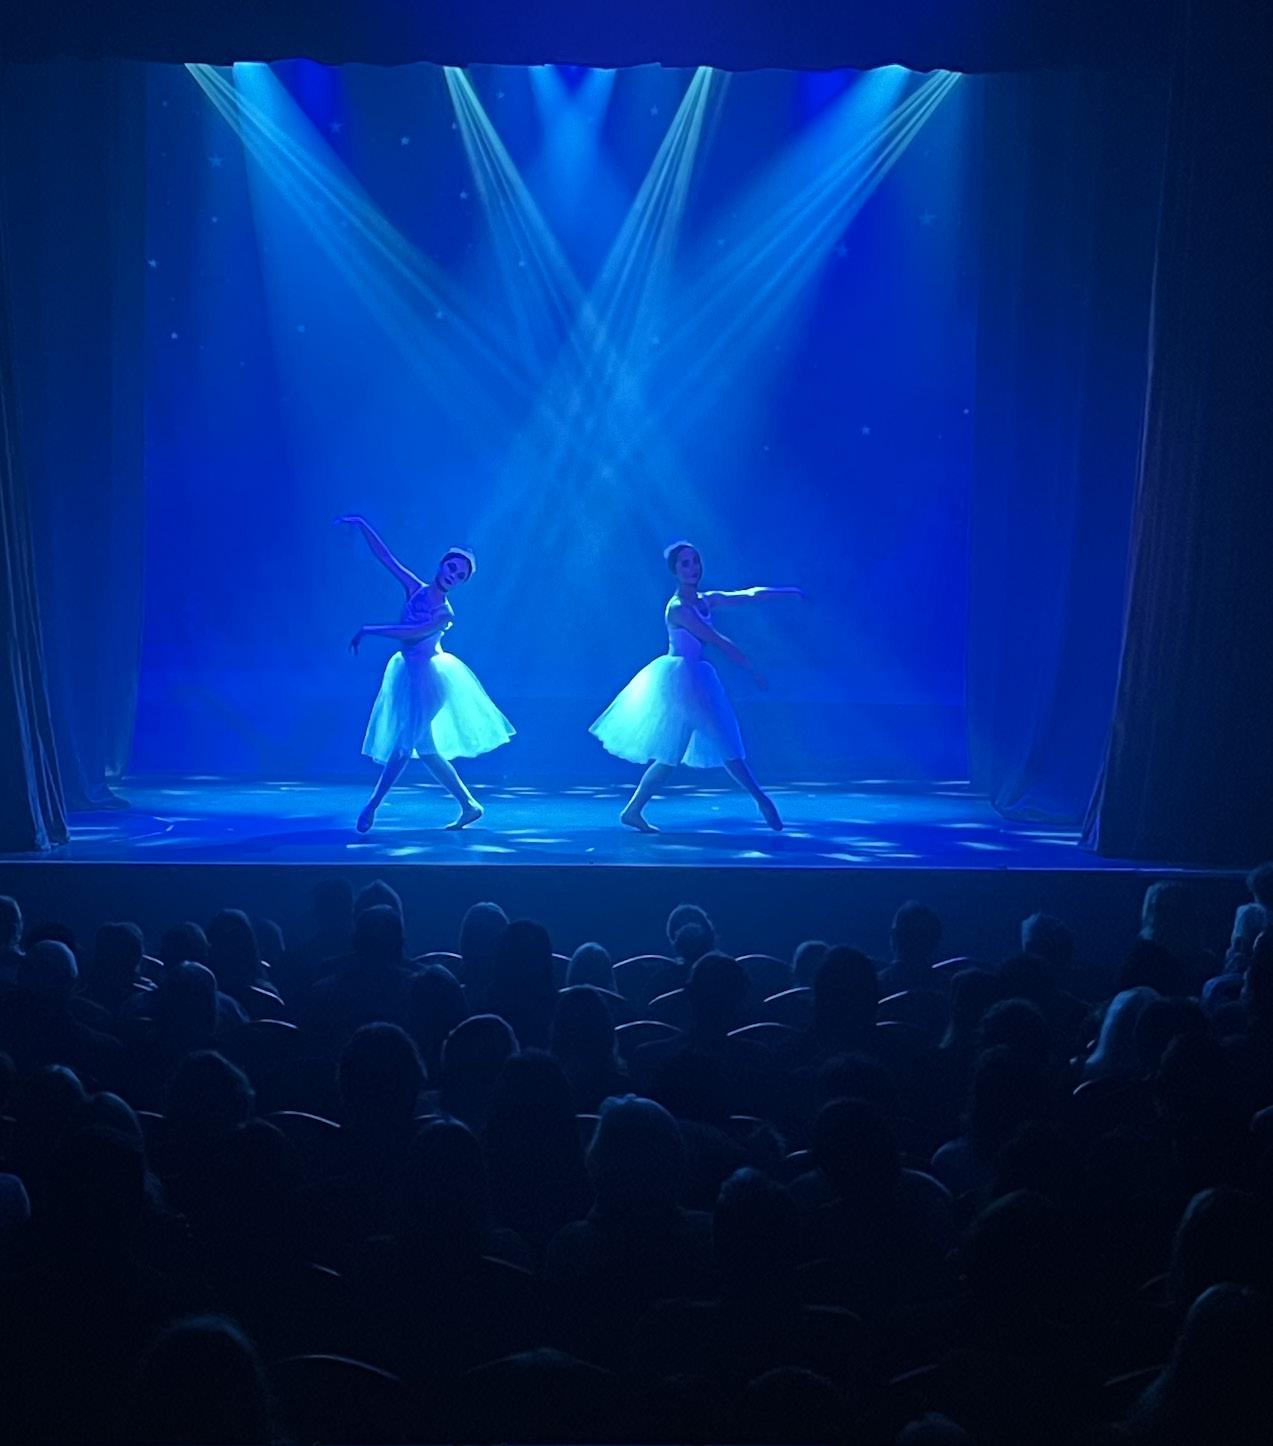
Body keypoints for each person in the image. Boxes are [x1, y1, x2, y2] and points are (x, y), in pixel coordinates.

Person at [590, 540, 801, 832]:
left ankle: (633, 810)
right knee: (724, 738)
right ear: (675, 571)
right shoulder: (678, 609)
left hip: (694, 679)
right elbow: (717, 640)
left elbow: (749, 595)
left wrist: (789, 593)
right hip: (681, 683)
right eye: (685, 564)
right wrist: (752, 668)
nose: (693, 568)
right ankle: (762, 800)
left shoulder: (705, 600)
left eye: (695, 561)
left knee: (671, 754)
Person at [338, 514, 513, 831]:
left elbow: (411, 633)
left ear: (461, 583)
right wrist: (363, 525)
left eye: (459, 576)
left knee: (404, 743)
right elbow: (386, 558)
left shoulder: (444, 613)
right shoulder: (415, 588)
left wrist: (368, 630)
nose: (453, 576)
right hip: (409, 674)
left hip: (431, 680)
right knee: (426, 748)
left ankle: (372, 807)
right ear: (442, 564)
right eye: (451, 568)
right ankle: (469, 805)